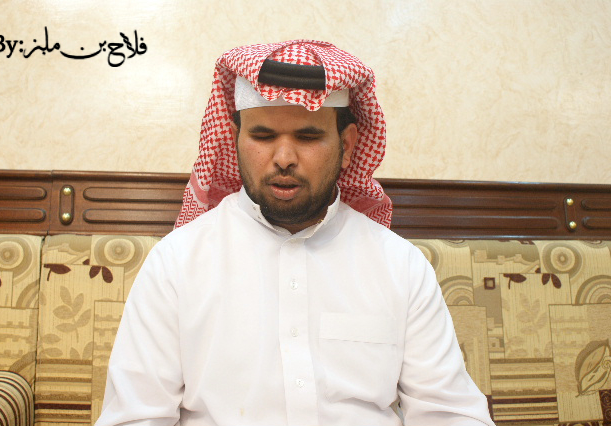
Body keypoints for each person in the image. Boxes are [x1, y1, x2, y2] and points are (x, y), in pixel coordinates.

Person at [96, 40, 496, 426]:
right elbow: (136, 417)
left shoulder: (400, 265)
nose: (284, 158)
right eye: (263, 136)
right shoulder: (176, 263)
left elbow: (449, 412)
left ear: (347, 145)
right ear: (235, 141)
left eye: (307, 137)